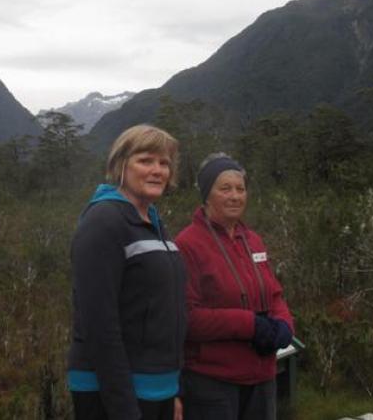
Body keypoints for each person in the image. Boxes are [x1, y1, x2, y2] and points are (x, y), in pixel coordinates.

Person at [67, 124, 187, 420]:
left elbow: (164, 311)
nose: (157, 170)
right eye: (145, 160)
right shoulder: (103, 221)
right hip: (112, 392)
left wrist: (172, 391)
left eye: (164, 163)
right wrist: (123, 408)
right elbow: (100, 327)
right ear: (121, 165)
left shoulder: (153, 221)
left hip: (158, 386)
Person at [174, 154, 294, 420]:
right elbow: (188, 318)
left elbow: (274, 294)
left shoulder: (253, 240)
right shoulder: (187, 245)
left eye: (240, 189)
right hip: (213, 383)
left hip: (262, 378)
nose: (235, 196)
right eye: (225, 188)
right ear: (206, 195)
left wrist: (285, 324)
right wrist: (250, 325)